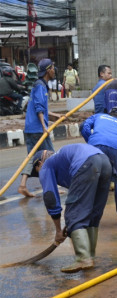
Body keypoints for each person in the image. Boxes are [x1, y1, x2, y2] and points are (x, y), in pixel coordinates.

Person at [30, 144, 112, 273]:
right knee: (91, 214)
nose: (39, 174)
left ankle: (83, 258)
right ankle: (90, 256)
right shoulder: (62, 159)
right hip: (105, 161)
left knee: (73, 215)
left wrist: (58, 230)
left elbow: (50, 197)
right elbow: (83, 203)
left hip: (88, 162)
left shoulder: (46, 165)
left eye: (37, 170)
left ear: (40, 162)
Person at [81, 106, 117, 226]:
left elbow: (84, 126)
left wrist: (91, 140)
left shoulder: (98, 116)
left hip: (95, 146)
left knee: (93, 182)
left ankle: (88, 220)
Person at [18, 58, 56, 197]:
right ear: (48, 70)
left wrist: (55, 115)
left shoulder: (38, 85)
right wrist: (44, 127)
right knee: (51, 156)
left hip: (31, 128)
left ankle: (23, 185)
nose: (54, 71)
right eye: (52, 68)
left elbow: (40, 109)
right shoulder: (40, 86)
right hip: (37, 129)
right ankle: (52, 187)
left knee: (33, 157)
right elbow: (39, 109)